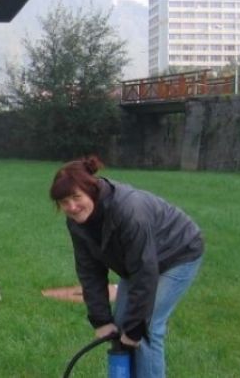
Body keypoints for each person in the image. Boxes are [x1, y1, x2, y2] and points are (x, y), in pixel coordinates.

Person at [51, 156, 204, 378]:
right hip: (139, 262)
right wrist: (101, 320)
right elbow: (89, 270)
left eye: (76, 197)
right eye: (64, 202)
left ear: (91, 191)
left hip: (178, 253)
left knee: (145, 329)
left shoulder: (129, 211)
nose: (72, 207)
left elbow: (145, 272)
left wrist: (135, 328)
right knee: (123, 326)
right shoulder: (77, 221)